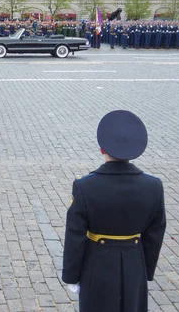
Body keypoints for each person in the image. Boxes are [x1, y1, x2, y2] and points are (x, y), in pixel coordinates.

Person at [62, 110, 166, 312]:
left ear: (101, 149)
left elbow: (75, 235)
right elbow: (155, 233)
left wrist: (71, 276)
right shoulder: (153, 186)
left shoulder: (85, 187)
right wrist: (146, 270)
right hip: (135, 263)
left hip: (96, 264)